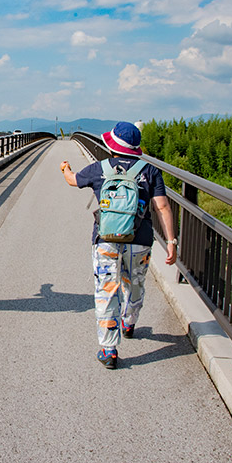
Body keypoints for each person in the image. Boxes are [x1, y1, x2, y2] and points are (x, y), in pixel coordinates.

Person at [59, 121, 177, 369]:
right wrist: (171, 242)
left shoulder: (100, 169)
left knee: (106, 291)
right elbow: (163, 206)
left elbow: (72, 180)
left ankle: (109, 350)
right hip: (140, 241)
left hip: (106, 240)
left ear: (112, 144)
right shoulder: (151, 171)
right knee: (134, 284)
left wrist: (65, 169)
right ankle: (129, 322)